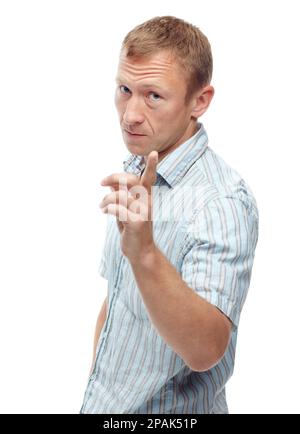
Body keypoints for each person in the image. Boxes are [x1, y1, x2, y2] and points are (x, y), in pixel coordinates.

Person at [79, 15, 259, 414]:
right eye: (124, 90)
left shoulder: (222, 201)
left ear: (200, 101)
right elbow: (117, 300)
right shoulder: (139, 167)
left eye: (153, 96)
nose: (130, 114)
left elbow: (206, 350)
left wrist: (145, 253)